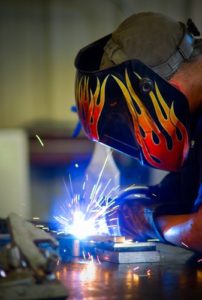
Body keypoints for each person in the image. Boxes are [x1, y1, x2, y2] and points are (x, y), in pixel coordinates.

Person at [74, 12, 202, 253]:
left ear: (150, 88)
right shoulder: (194, 120)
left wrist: (147, 223)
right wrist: (135, 203)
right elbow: (183, 195)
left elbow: (199, 232)